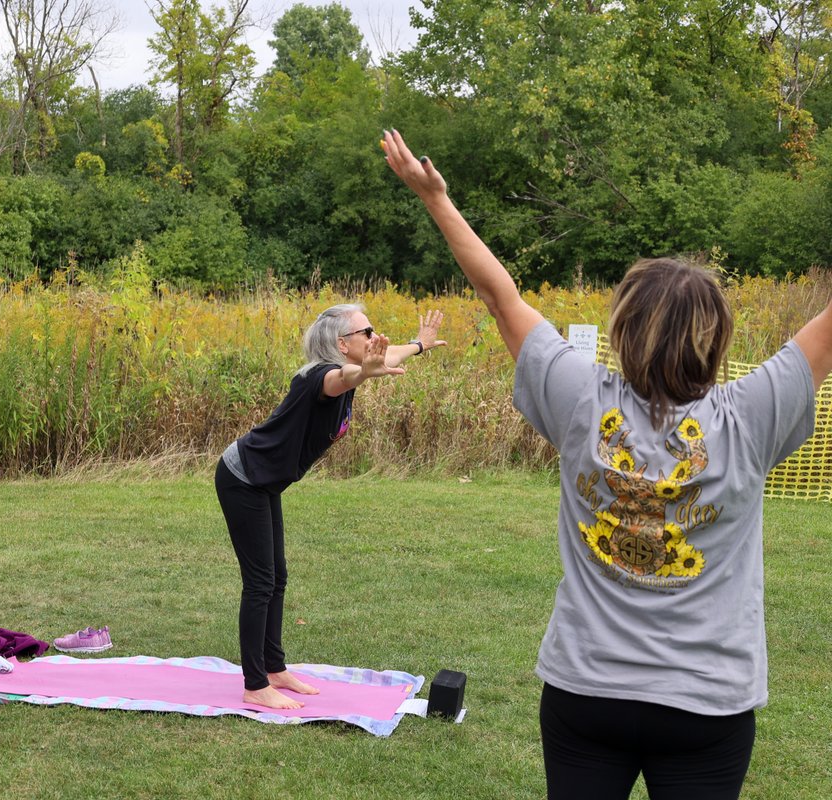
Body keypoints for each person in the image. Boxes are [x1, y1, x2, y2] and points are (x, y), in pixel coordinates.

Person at [383, 129, 831, 799]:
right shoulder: (752, 414)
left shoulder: (578, 400)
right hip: (708, 704)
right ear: (717, 339)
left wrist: (436, 200)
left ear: (622, 329)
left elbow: (500, 295)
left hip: (587, 693)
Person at [215, 304, 446, 709]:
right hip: (243, 478)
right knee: (260, 583)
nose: (374, 337)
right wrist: (367, 370)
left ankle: (274, 667)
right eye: (366, 331)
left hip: (265, 481)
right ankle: (255, 683)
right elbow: (344, 377)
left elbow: (377, 360)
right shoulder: (319, 377)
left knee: (277, 578)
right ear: (342, 344)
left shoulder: (355, 366)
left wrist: (419, 345)